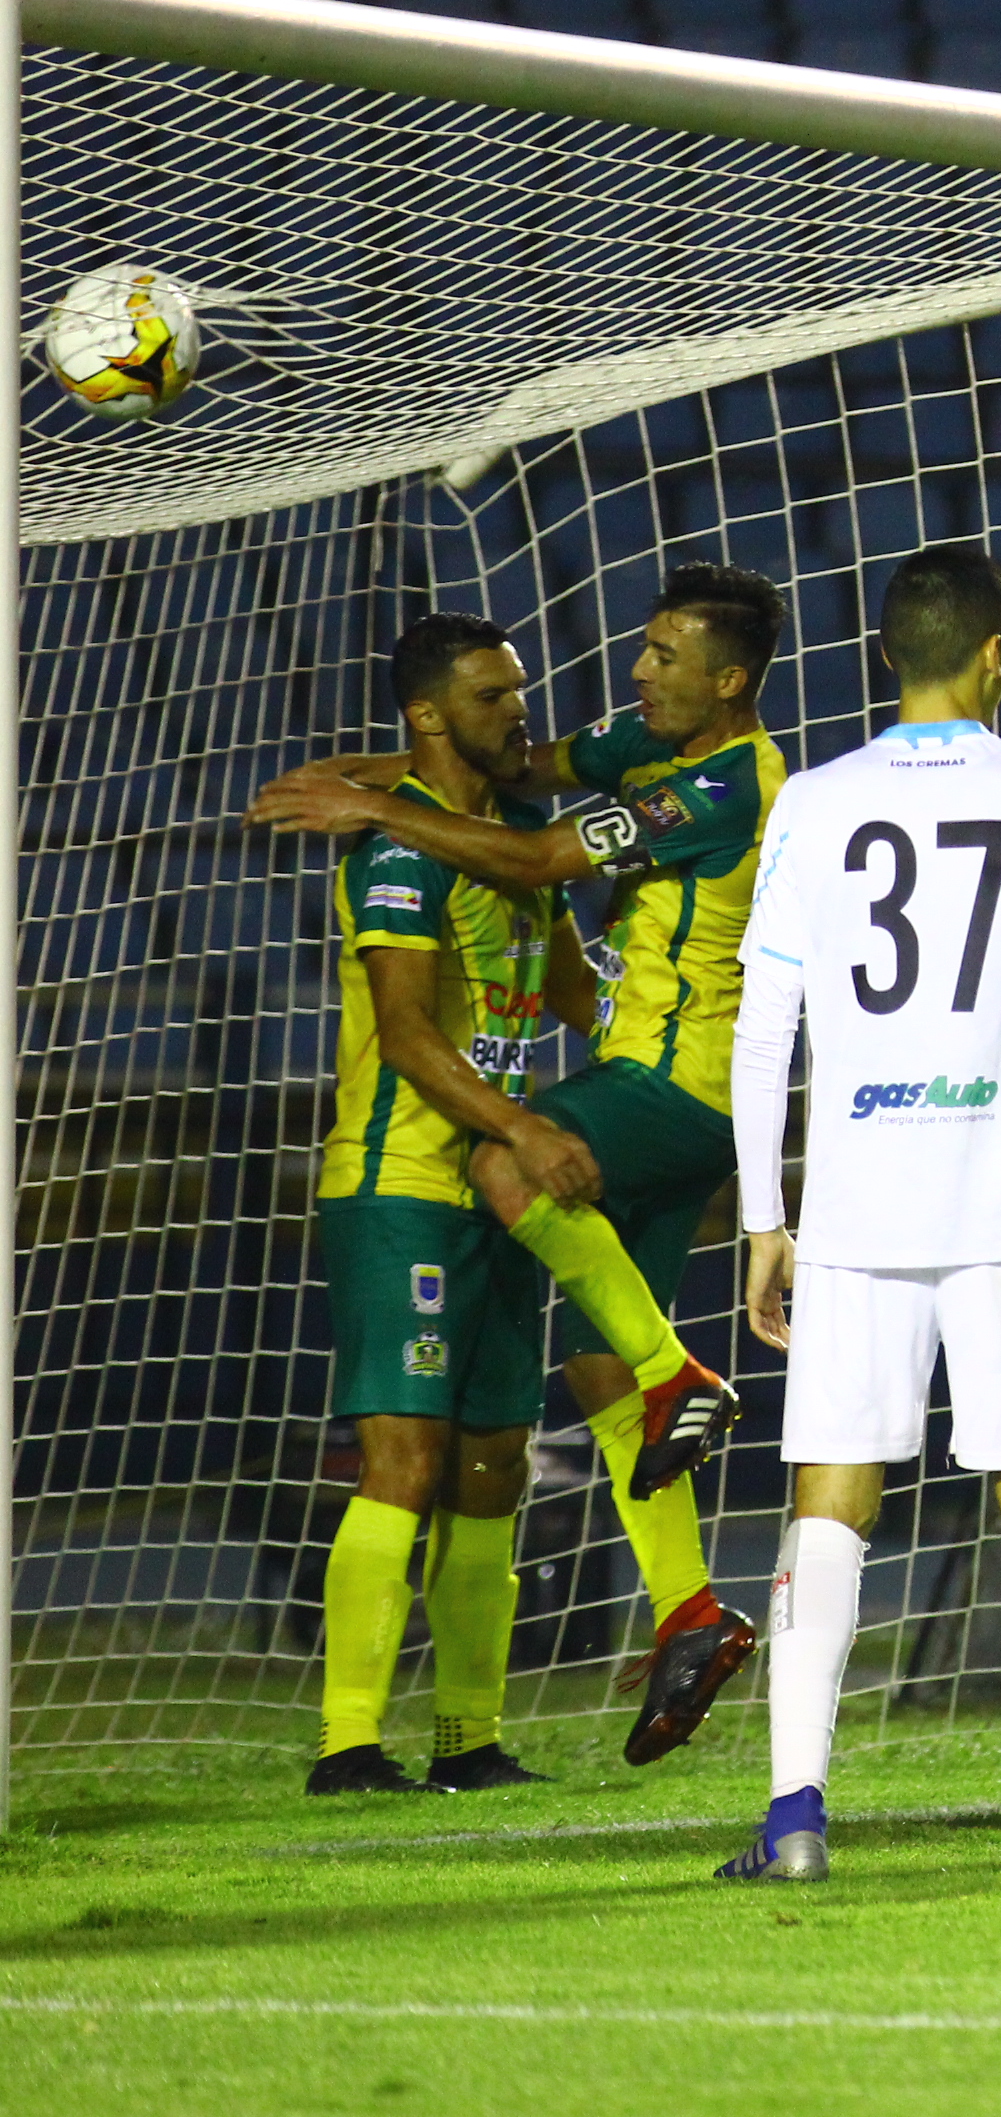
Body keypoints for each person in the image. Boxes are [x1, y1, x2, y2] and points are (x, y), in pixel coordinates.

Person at [250, 565, 785, 1765]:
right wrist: (386, 780)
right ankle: (685, 1613)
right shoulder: (599, 768)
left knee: (513, 1168)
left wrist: (383, 800)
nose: (632, 676)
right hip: (416, 1174)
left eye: (661, 656)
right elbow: (532, 794)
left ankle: (677, 1378)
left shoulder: (719, 782)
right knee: (565, 1394)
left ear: (728, 682)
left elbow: (546, 857)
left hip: (668, 1084)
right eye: (496, 697)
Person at [723, 544, 1001, 1884]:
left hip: (855, 1199)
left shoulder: (812, 802)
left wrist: (762, 1213)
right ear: (998, 650)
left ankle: (795, 1821)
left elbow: (763, 1024)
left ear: (886, 656)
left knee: (830, 1503)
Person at [301, 614, 601, 1793]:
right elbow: (414, 1039)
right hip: (404, 1184)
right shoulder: (396, 857)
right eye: (488, 697)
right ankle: (347, 1745)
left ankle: (470, 1739)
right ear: (428, 714)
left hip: (501, 1190)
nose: (516, 713)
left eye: (516, 691)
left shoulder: (522, 837)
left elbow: (577, 991)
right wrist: (526, 1124)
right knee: (406, 1461)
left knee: (495, 1465)